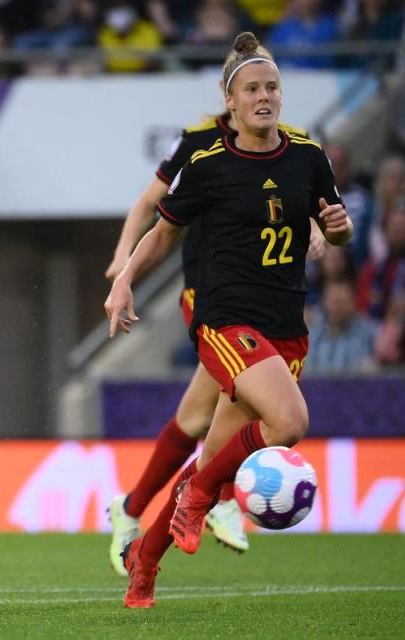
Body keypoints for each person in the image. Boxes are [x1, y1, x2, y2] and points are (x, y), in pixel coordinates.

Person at [104, 31, 352, 608]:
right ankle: (198, 498)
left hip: (285, 323)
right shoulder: (207, 158)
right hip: (224, 317)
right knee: (288, 423)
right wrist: (124, 276)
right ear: (230, 100)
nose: (265, 96)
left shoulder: (307, 157)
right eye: (253, 88)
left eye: (272, 87)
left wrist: (336, 230)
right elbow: (163, 231)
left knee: (212, 458)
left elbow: (332, 227)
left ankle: (145, 564)